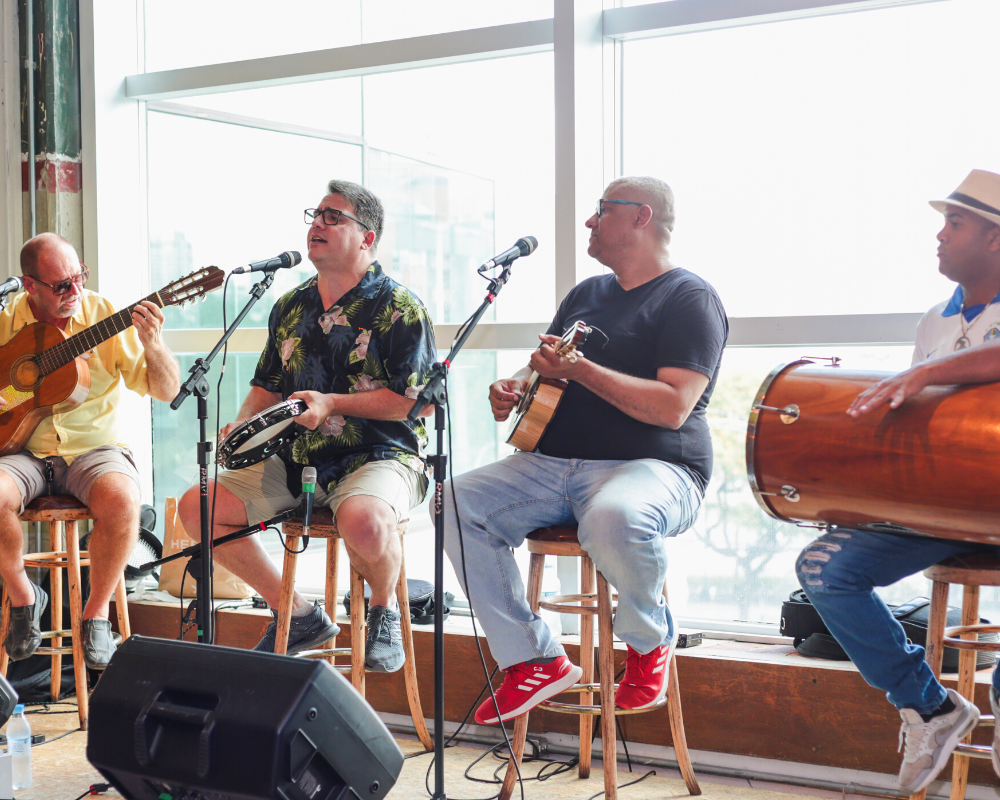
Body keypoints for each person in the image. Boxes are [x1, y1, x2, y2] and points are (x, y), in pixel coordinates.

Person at [441, 176, 728, 725]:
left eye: (602, 210)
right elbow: (544, 367)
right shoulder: (585, 295)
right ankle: (532, 659)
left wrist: (581, 369)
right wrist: (516, 384)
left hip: (656, 468)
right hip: (550, 464)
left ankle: (648, 645)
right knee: (454, 501)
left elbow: (673, 407)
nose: (590, 221)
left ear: (641, 218)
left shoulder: (690, 298)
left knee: (615, 517)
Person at [797, 169, 1000, 793]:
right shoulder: (935, 320)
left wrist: (927, 374)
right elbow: (921, 430)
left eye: (955, 223)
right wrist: (861, 499)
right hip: (943, 510)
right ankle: (932, 708)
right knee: (823, 570)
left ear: (995, 239)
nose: (940, 236)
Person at [178, 180, 435, 672]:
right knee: (199, 505)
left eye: (333, 217)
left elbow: (415, 403)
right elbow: (269, 386)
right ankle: (294, 611)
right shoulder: (290, 306)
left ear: (367, 238)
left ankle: (382, 612)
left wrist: (333, 401)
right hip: (295, 458)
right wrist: (243, 422)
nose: (317, 224)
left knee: (363, 520)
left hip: (380, 455)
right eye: (315, 215)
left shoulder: (400, 308)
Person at [0, 232, 180, 669]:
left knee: (122, 500)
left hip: (93, 450)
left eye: (79, 277)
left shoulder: (103, 317)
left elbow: (166, 389)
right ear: (30, 287)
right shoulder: (6, 319)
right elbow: (10, 382)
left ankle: (96, 613)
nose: (75, 291)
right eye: (61, 285)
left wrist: (153, 342)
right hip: (23, 449)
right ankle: (25, 595)